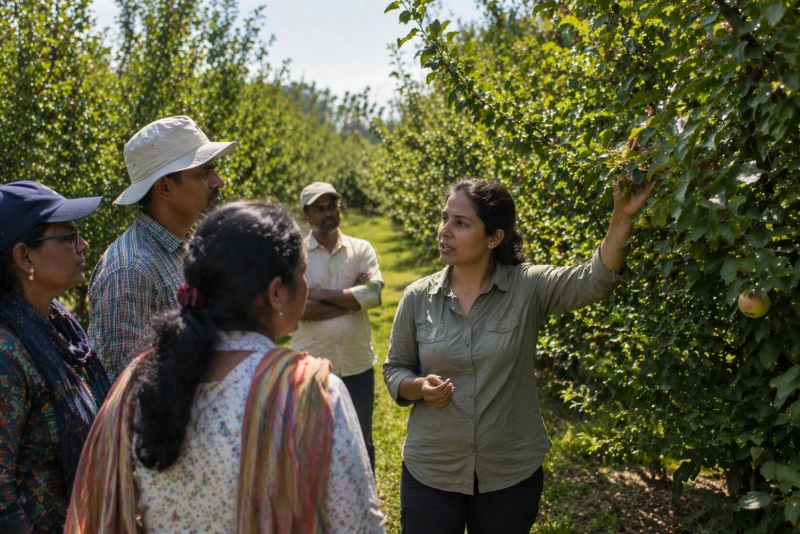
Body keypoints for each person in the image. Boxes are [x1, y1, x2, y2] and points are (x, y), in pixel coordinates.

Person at [67, 202, 385, 533]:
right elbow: (357, 524)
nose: (306, 284)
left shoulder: (139, 383)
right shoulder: (309, 394)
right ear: (277, 293)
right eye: (301, 273)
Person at [383, 177, 653, 533]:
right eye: (444, 218)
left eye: (460, 223)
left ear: (494, 238)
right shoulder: (418, 297)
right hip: (432, 468)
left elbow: (595, 279)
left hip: (508, 472)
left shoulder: (528, 287)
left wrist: (622, 215)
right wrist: (419, 387)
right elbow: (394, 370)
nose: (444, 231)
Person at [88, 115, 238, 381]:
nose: (218, 181)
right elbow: (125, 386)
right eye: (204, 172)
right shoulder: (130, 270)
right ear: (166, 188)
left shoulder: (188, 246)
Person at [0, 181, 111, 534]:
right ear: (24, 256)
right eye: (67, 237)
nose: (83, 245)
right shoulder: (7, 355)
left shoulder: (58, 327)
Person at [291, 182, 384, 471]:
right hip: (310, 366)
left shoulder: (361, 249)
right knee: (312, 439)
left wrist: (315, 295)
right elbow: (295, 308)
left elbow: (373, 294)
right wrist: (349, 297)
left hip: (356, 365)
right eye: (319, 209)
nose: (327, 213)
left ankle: (364, 502)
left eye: (332, 206)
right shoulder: (295, 256)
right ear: (305, 215)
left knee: (360, 439)